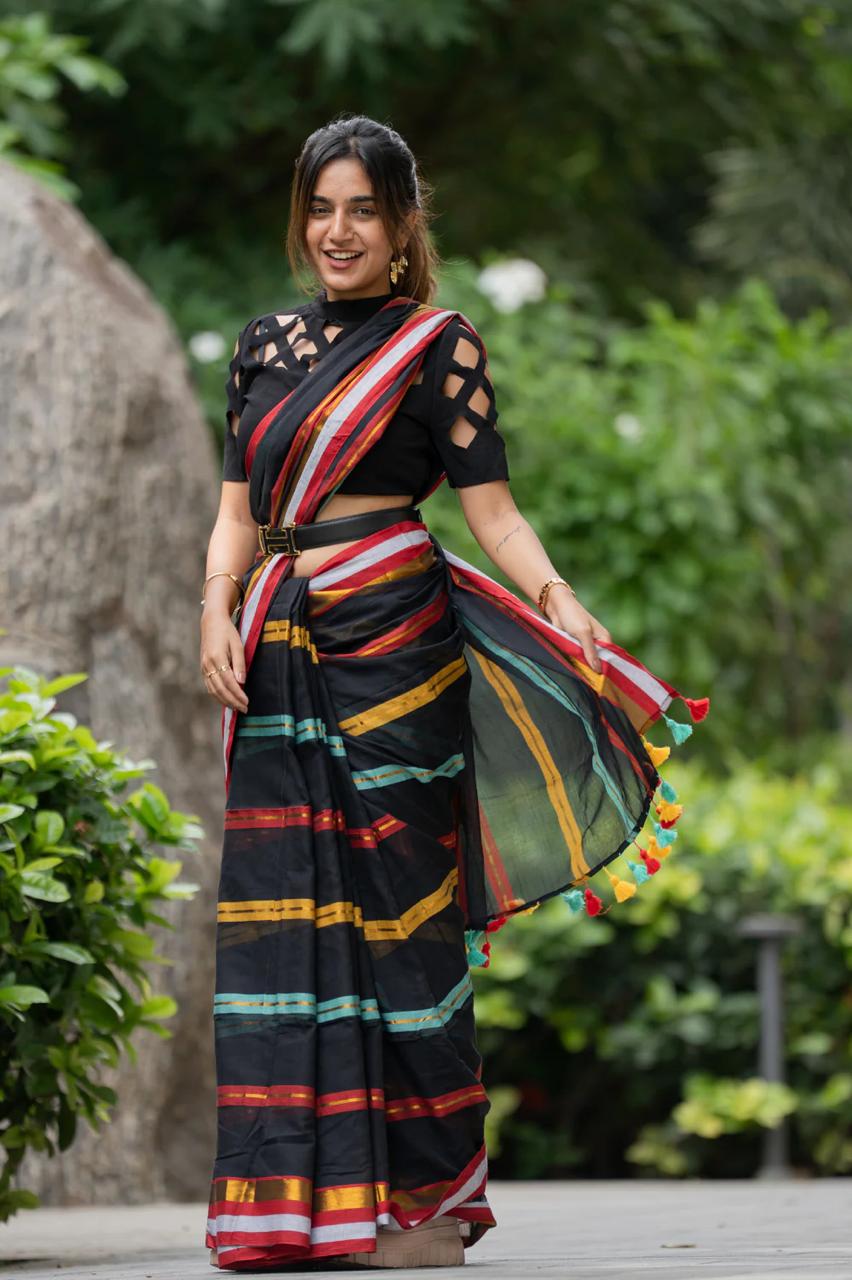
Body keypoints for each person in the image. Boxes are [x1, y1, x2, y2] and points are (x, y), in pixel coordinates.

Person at [201, 114, 709, 1272]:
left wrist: (562, 597)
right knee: (285, 918)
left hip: (395, 637)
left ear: (400, 226)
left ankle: (425, 1207)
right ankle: (297, 1206)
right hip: (275, 646)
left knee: (405, 913)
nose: (338, 231)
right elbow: (235, 511)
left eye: (362, 210)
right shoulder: (263, 345)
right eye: (321, 208)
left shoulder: (437, 345)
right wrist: (212, 610)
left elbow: (495, 513)